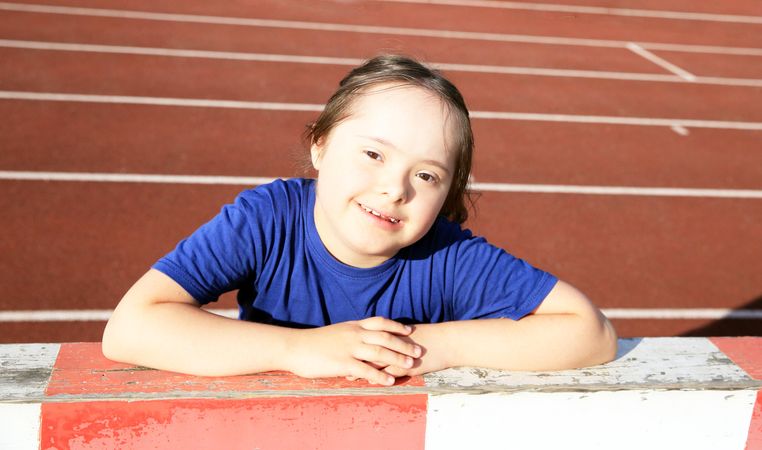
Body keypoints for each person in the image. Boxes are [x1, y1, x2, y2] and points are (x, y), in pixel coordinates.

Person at [102, 54, 617, 386]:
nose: (396, 188)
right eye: (374, 155)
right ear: (320, 146)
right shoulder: (267, 220)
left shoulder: (445, 256)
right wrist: (300, 350)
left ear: (447, 196)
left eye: (428, 176)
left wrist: (429, 346)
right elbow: (130, 327)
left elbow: (590, 333)